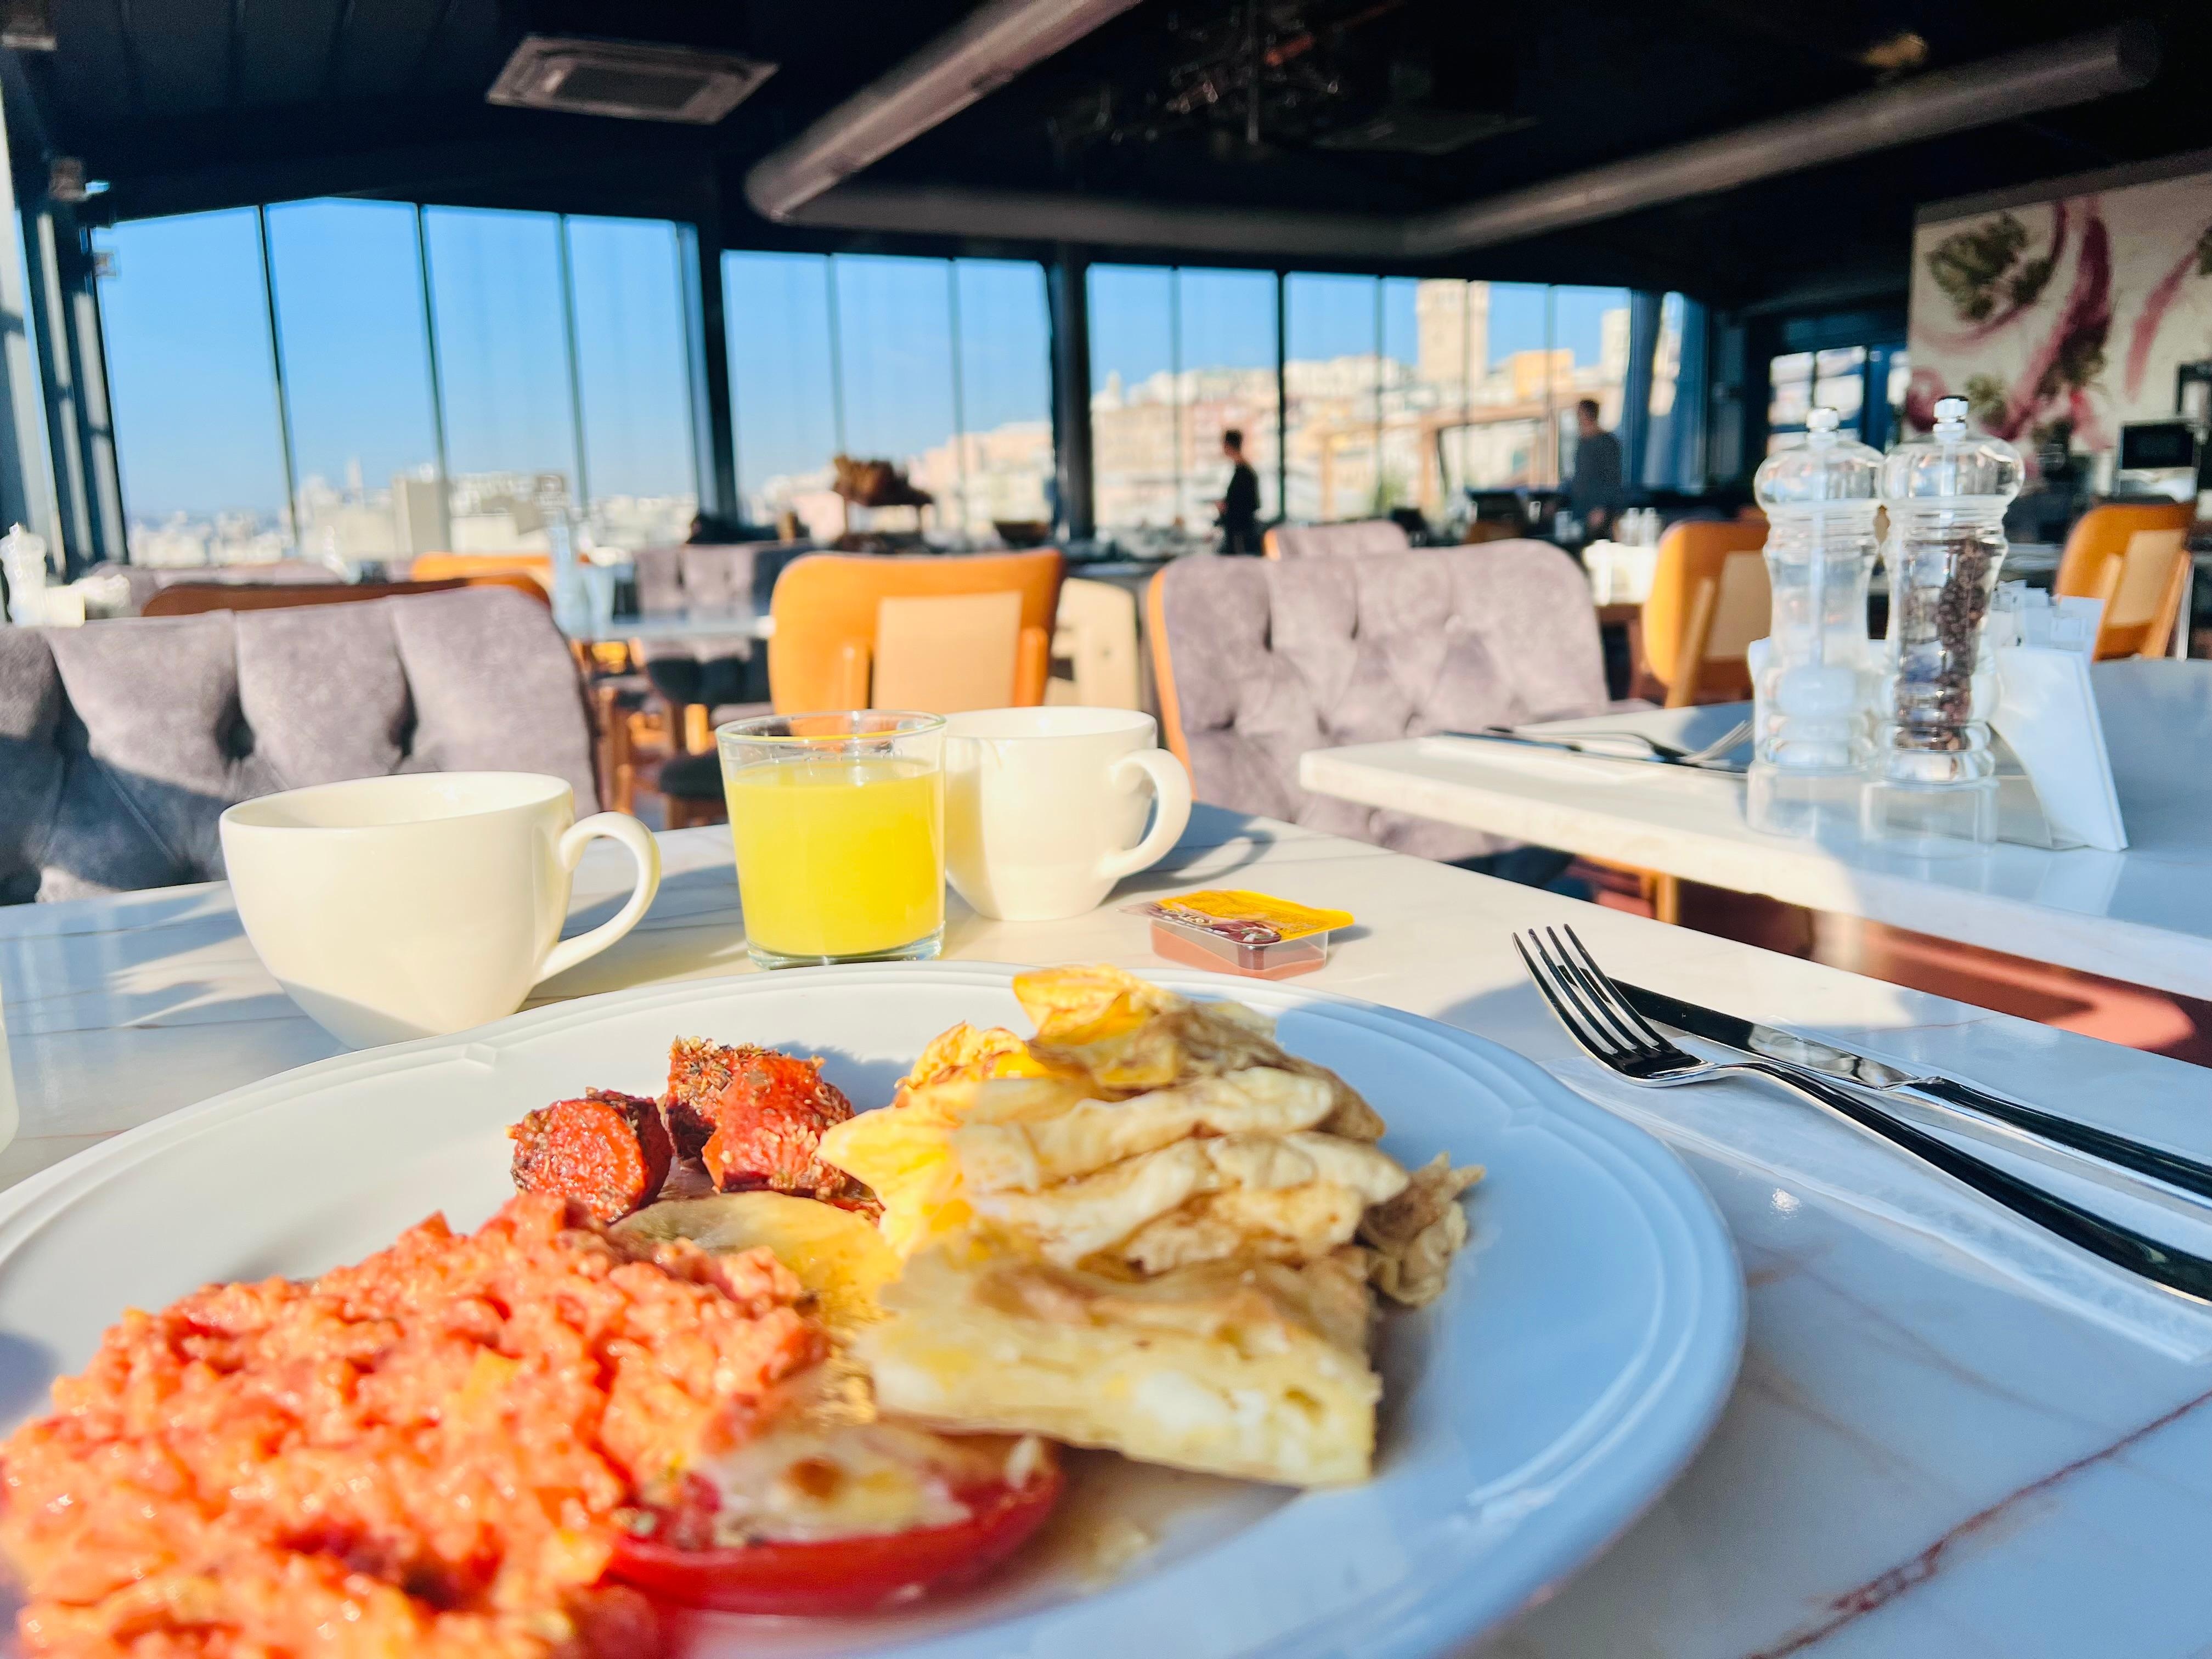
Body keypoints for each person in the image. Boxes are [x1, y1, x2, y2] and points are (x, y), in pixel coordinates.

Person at [1566, 398, 1626, 541]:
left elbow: (1612, 478)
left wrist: (1602, 507)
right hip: (1582, 509)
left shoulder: (1607, 443)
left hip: (1600, 512)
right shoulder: (1582, 443)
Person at [1215, 429, 1261, 555]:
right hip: (1241, 530)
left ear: (1228, 445)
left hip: (1240, 533)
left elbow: (1247, 505)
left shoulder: (1243, 473)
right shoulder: (1245, 471)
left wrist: (1225, 508)